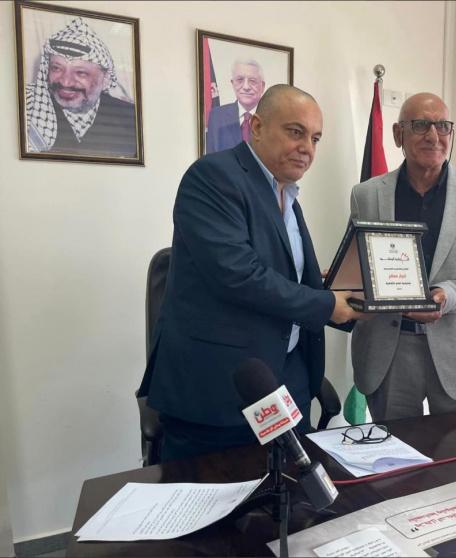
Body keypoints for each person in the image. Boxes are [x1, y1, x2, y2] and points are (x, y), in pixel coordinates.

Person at [139, 85, 362, 462]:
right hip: (220, 390)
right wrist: (326, 304)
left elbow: (280, 274)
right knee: (215, 496)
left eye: (315, 138)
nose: (307, 148)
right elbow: (239, 275)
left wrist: (340, 293)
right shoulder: (213, 176)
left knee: (290, 489)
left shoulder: (287, 194)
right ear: (257, 127)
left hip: (284, 382)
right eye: (295, 132)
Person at [350, 92, 456, 421]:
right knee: (393, 449)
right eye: (421, 125)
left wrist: (448, 295)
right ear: (398, 134)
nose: (434, 136)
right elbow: (359, 262)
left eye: (443, 126)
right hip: (390, 349)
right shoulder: (366, 194)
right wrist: (344, 279)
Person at [24, 17, 137, 157]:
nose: (65, 82)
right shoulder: (29, 107)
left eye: (80, 73)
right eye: (57, 68)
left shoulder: (131, 117)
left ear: (106, 79)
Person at [205, 59, 266, 153]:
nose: (246, 87)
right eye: (240, 80)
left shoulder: (272, 117)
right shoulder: (217, 116)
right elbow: (211, 157)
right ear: (233, 83)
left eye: (252, 81)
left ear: (262, 86)